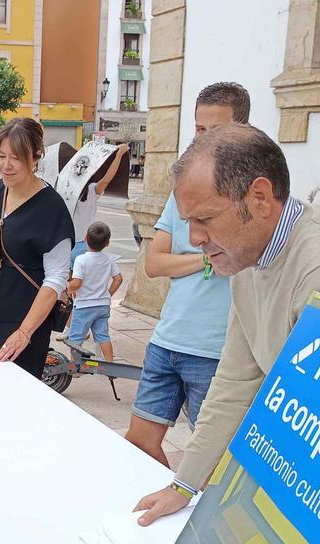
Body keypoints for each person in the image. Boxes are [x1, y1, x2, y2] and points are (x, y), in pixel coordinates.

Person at [133, 123, 320, 526]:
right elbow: (235, 383)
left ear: (259, 197)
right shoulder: (246, 252)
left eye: (204, 218)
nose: (194, 237)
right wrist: (184, 484)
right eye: (188, 220)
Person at [123, 82, 248, 471]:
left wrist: (190, 257)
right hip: (167, 339)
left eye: (217, 131)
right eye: (199, 130)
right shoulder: (184, 192)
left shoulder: (251, 198)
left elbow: (245, 262)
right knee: (138, 444)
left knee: (214, 463)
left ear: (242, 131)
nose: (204, 140)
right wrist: (207, 259)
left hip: (215, 353)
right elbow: (154, 264)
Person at [0, 117, 74, 378]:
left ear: (35, 157)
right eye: (1, 156)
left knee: (9, 397)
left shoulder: (52, 208)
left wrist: (24, 332)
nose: (6, 166)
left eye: (16, 157)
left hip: (20, 318)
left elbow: (55, 279)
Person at [67, 222, 122, 361]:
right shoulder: (109, 259)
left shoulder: (81, 260)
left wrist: (67, 286)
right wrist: (108, 294)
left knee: (76, 338)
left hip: (84, 305)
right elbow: (118, 279)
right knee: (103, 336)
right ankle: (110, 363)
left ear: (85, 239)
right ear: (107, 243)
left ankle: (75, 367)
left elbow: (77, 283)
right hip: (102, 305)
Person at [70, 143, 128, 265]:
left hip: (67, 244)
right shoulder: (91, 190)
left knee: (70, 281)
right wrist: (119, 155)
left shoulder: (65, 188)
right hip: (85, 244)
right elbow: (107, 179)